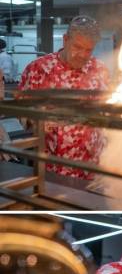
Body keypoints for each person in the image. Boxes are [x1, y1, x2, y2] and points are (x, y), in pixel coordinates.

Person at [18, 15, 110, 180]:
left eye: (88, 49)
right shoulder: (39, 69)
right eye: (77, 47)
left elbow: (107, 110)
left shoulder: (99, 70)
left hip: (92, 167)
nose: (82, 55)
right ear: (65, 39)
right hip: (51, 166)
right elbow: (20, 109)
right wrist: (35, 120)